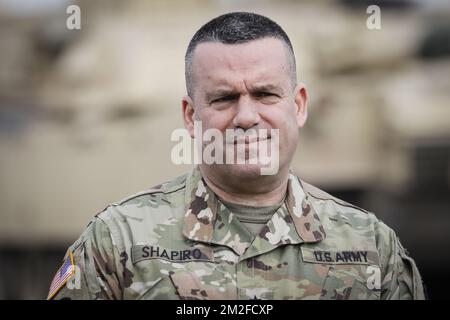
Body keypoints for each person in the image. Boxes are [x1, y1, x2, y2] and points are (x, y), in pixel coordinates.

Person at [47, 12, 425, 300]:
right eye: (224, 98)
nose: (246, 117)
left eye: (265, 94)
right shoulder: (117, 241)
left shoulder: (371, 247)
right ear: (192, 116)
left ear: (299, 105)